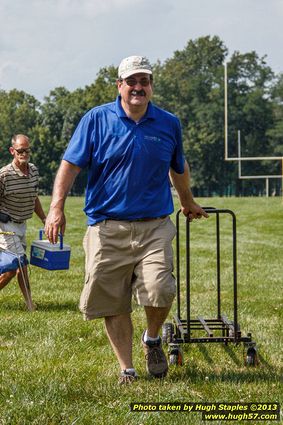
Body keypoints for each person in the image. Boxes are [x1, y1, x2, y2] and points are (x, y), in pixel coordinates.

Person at [44, 55, 208, 383]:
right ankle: (127, 368)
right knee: (111, 299)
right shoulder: (96, 119)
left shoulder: (168, 123)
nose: (138, 87)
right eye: (131, 81)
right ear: (119, 85)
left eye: (144, 81)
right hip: (107, 227)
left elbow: (178, 166)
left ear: (151, 86)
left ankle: (152, 338)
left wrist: (187, 200)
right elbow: (70, 165)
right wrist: (56, 207)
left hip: (154, 226)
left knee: (160, 289)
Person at [0, 134, 46, 311]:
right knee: (19, 264)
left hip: (21, 225)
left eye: (27, 150)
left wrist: (44, 218)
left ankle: (29, 303)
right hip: (6, 226)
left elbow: (33, 197)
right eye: (20, 151)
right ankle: (30, 304)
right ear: (12, 151)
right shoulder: (4, 174)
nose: (24, 153)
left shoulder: (33, 170)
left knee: (16, 268)